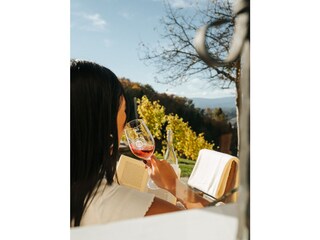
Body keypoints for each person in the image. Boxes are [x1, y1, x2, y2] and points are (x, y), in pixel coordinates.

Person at [71, 59, 210, 227]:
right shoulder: (119, 204)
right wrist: (175, 186)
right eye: (123, 110)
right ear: (103, 123)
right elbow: (223, 227)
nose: (125, 119)